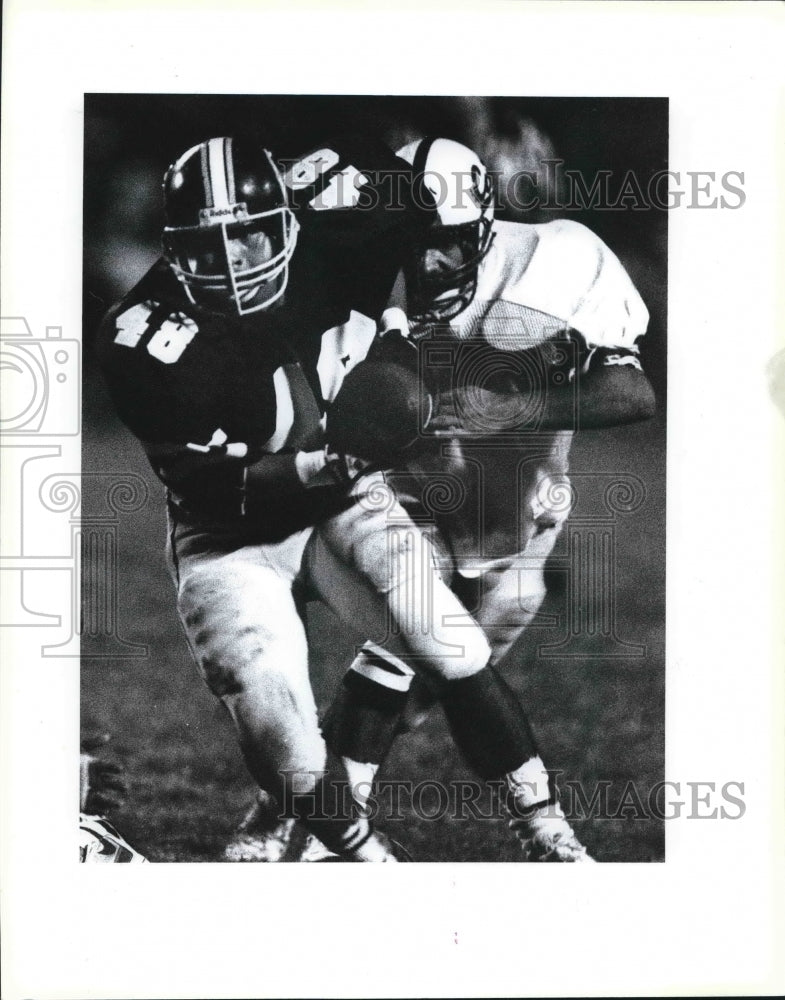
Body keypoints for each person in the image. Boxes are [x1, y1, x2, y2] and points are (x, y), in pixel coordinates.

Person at [98, 134, 596, 862]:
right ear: (173, 249)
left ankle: (546, 824)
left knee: (451, 645)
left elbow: (425, 189)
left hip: (342, 497)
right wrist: (341, 450)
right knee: (287, 735)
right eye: (211, 249)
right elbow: (221, 486)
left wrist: (391, 320)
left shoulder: (335, 220)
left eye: (252, 239)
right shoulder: (144, 337)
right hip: (229, 534)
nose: (236, 266)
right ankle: (362, 858)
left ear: (290, 221)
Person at [280, 136, 656, 862]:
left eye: (448, 244)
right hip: (401, 495)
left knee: (432, 679)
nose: (428, 263)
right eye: (413, 243)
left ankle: (306, 814)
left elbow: (631, 393)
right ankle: (539, 833)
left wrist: (498, 409)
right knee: (417, 647)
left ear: (483, 224)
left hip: (515, 522)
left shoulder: (555, 260)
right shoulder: (352, 283)